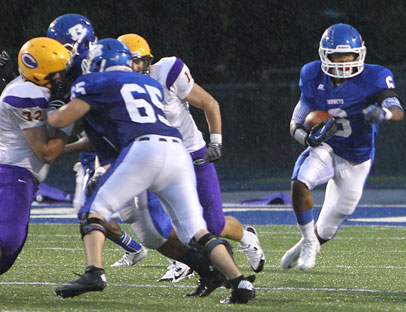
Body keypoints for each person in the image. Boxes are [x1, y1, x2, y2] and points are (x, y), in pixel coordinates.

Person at [49, 38, 255, 304]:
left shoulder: (95, 82)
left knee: (95, 211)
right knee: (196, 230)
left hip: (143, 151)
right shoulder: (148, 84)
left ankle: (94, 272)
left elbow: (62, 120)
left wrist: (49, 110)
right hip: (176, 150)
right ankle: (240, 283)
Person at [117, 33, 265, 278]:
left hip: (190, 152)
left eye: (136, 61)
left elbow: (209, 103)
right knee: (162, 217)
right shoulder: (118, 89)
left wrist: (216, 140)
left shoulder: (167, 71)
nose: (131, 68)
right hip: (156, 157)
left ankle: (246, 237)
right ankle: (182, 261)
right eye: (125, 62)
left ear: (147, 60)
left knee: (213, 225)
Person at [280, 23, 404, 271]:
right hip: (328, 147)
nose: (344, 61)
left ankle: (309, 241)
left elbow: (397, 109)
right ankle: (307, 241)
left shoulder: (375, 76)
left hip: (357, 157)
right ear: (325, 55)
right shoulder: (312, 75)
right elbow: (295, 123)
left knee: (331, 223)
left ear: (360, 54)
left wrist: (384, 114)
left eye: (349, 54)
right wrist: (306, 139)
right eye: (337, 55)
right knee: (300, 182)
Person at [47, 13, 149, 266]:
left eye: (62, 46)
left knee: (141, 210)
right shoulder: (76, 67)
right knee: (93, 209)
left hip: (123, 145)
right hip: (103, 144)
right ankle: (131, 250)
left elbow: (65, 119)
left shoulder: (91, 66)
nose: (57, 52)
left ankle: (190, 256)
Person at [0, 37, 72, 274]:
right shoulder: (23, 94)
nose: (62, 78)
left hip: (21, 175)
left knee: (7, 254)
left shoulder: (32, 86)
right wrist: (69, 122)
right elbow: (47, 152)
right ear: (40, 74)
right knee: (8, 239)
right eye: (57, 74)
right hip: (11, 171)